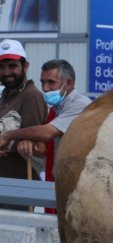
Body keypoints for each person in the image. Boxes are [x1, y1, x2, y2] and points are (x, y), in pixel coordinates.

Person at [0, 59, 91, 185]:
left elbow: (47, 133)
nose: (45, 88)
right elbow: (44, 148)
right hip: (55, 178)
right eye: (42, 82)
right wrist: (26, 144)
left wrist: (8, 135)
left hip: (78, 182)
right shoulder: (56, 109)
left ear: (68, 83)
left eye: (51, 82)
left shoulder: (80, 105)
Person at [0, 38, 47, 209]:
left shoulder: (31, 96)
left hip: (19, 185)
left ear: (25, 66)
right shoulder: (4, 96)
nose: (6, 72)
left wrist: (9, 142)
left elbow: (34, 143)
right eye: (2, 67)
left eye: (12, 66)